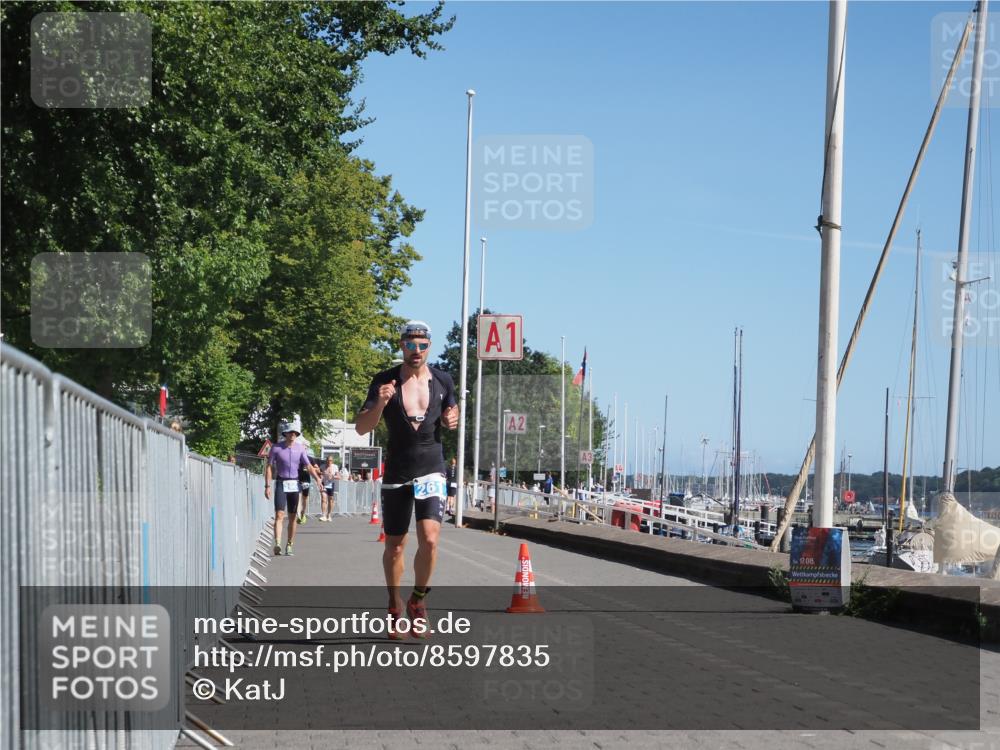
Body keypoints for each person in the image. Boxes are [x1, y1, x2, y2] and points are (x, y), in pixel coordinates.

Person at [355, 320, 458, 639]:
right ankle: (393, 603)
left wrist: (452, 419)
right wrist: (382, 402)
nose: (416, 351)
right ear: (401, 346)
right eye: (410, 345)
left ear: (430, 346)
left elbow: (451, 416)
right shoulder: (384, 381)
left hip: (431, 465)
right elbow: (362, 427)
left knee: (430, 539)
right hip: (398, 469)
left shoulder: (443, 380)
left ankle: (419, 601)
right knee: (396, 546)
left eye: (422, 345)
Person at [264, 418, 323, 556]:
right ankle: (278, 543)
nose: (292, 435)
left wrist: (318, 479)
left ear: (297, 435)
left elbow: (308, 466)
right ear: (285, 434)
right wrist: (267, 485)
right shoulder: (276, 448)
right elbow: (269, 467)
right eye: (290, 433)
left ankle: (289, 544)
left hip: (294, 484)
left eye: (295, 433)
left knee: (292, 517)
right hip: (281, 482)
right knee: (279, 514)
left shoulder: (300, 448)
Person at [320, 456, 339, 521]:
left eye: (330, 461)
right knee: (323, 499)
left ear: (332, 461)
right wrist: (322, 474)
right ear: (326, 460)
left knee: (330, 500)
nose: (329, 462)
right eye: (328, 460)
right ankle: (323, 515)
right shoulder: (322, 466)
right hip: (324, 484)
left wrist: (333, 476)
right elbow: (319, 474)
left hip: (331, 484)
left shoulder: (335, 467)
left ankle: (329, 514)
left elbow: (339, 477)